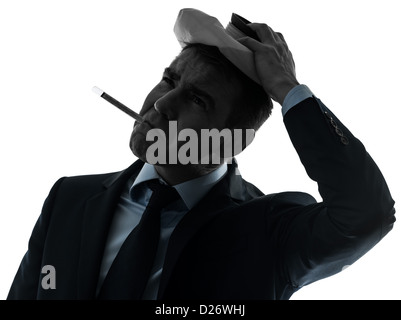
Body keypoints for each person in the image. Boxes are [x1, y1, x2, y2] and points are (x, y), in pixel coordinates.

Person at [7, 8, 395, 300]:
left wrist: (288, 89)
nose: (161, 105)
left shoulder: (269, 231)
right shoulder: (69, 198)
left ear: (233, 141)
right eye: (169, 80)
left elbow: (367, 214)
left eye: (197, 99)